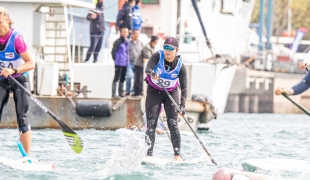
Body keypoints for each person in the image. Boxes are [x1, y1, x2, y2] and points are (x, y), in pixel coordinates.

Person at [144, 37, 187, 161]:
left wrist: (182, 106)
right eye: (165, 48)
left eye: (170, 49)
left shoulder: (180, 66)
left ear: (176, 50)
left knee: (173, 124)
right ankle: (148, 154)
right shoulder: (157, 56)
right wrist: (153, 74)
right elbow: (148, 68)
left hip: (171, 93)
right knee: (151, 123)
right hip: (154, 91)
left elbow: (184, 88)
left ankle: (177, 156)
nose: (167, 51)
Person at [0, 7, 35, 155]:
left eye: (0, 22)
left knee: (22, 117)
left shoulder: (17, 38)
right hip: (2, 80)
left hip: (19, 79)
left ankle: (27, 157)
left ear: (7, 21)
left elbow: (30, 63)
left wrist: (13, 70)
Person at [111, 27, 129, 98]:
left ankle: (120, 93)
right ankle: (113, 93)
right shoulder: (118, 41)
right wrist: (116, 59)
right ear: (121, 33)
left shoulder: (127, 41)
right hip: (118, 63)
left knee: (122, 78)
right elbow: (113, 52)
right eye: (123, 32)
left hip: (125, 63)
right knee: (116, 78)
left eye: (126, 32)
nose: (125, 33)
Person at [126, 30, 143, 96]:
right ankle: (128, 91)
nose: (137, 35)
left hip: (138, 64)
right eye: (135, 33)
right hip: (130, 62)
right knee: (129, 76)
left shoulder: (141, 43)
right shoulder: (128, 43)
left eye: (138, 34)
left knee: (137, 78)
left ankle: (134, 91)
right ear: (132, 34)